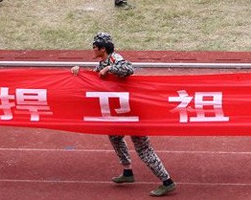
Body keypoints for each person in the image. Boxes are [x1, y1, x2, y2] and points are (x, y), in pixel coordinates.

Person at [70, 32, 176, 196]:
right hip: (119, 112)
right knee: (114, 135)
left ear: (102, 49)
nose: (92, 50)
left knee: (143, 149)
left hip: (133, 112)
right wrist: (78, 72)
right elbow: (92, 79)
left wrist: (110, 68)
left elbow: (129, 68)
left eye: (94, 47)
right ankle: (127, 173)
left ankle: (167, 181)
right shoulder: (102, 63)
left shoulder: (115, 59)